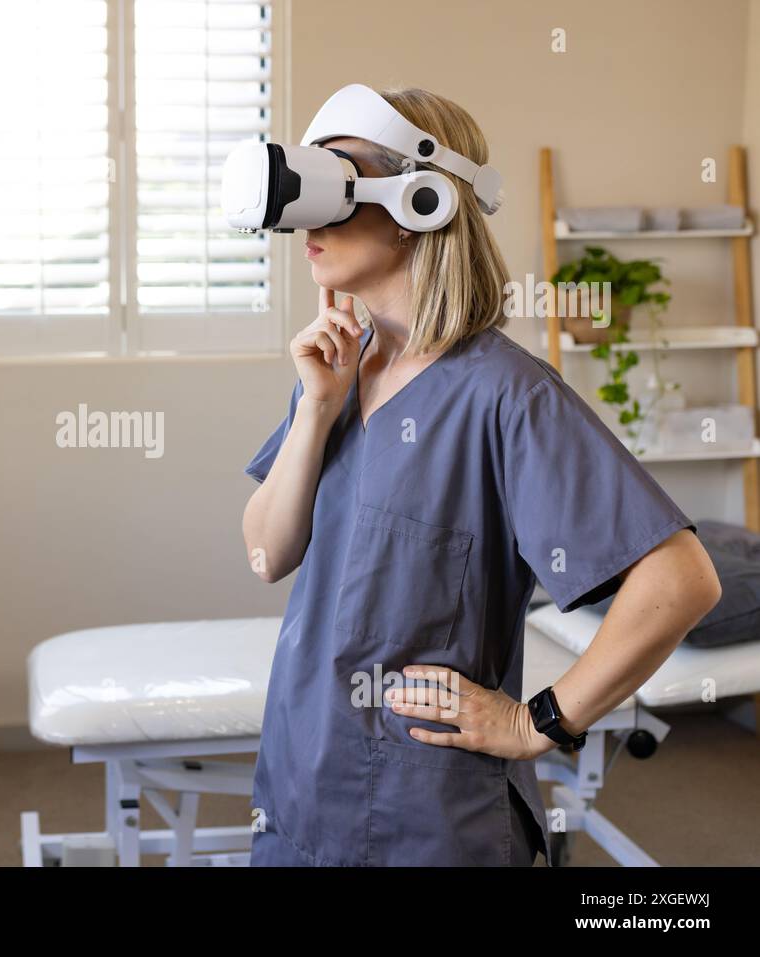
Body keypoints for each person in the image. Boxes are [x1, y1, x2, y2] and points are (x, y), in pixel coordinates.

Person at [241, 86, 721, 866]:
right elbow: (265, 553)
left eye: (336, 182)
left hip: (422, 821)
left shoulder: (505, 392)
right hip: (299, 789)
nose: (308, 219)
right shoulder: (337, 368)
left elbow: (682, 579)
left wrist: (535, 722)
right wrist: (314, 413)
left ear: (419, 201)